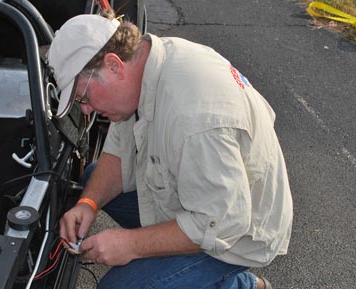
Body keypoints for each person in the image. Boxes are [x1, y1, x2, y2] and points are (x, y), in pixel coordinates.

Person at [48, 9, 292, 289]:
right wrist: (87, 204)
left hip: (238, 231)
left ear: (113, 65)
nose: (86, 109)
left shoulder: (194, 118)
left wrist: (130, 245)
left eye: (84, 97)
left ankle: (237, 283)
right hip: (203, 195)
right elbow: (117, 150)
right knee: (94, 180)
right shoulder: (143, 69)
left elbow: (219, 223)